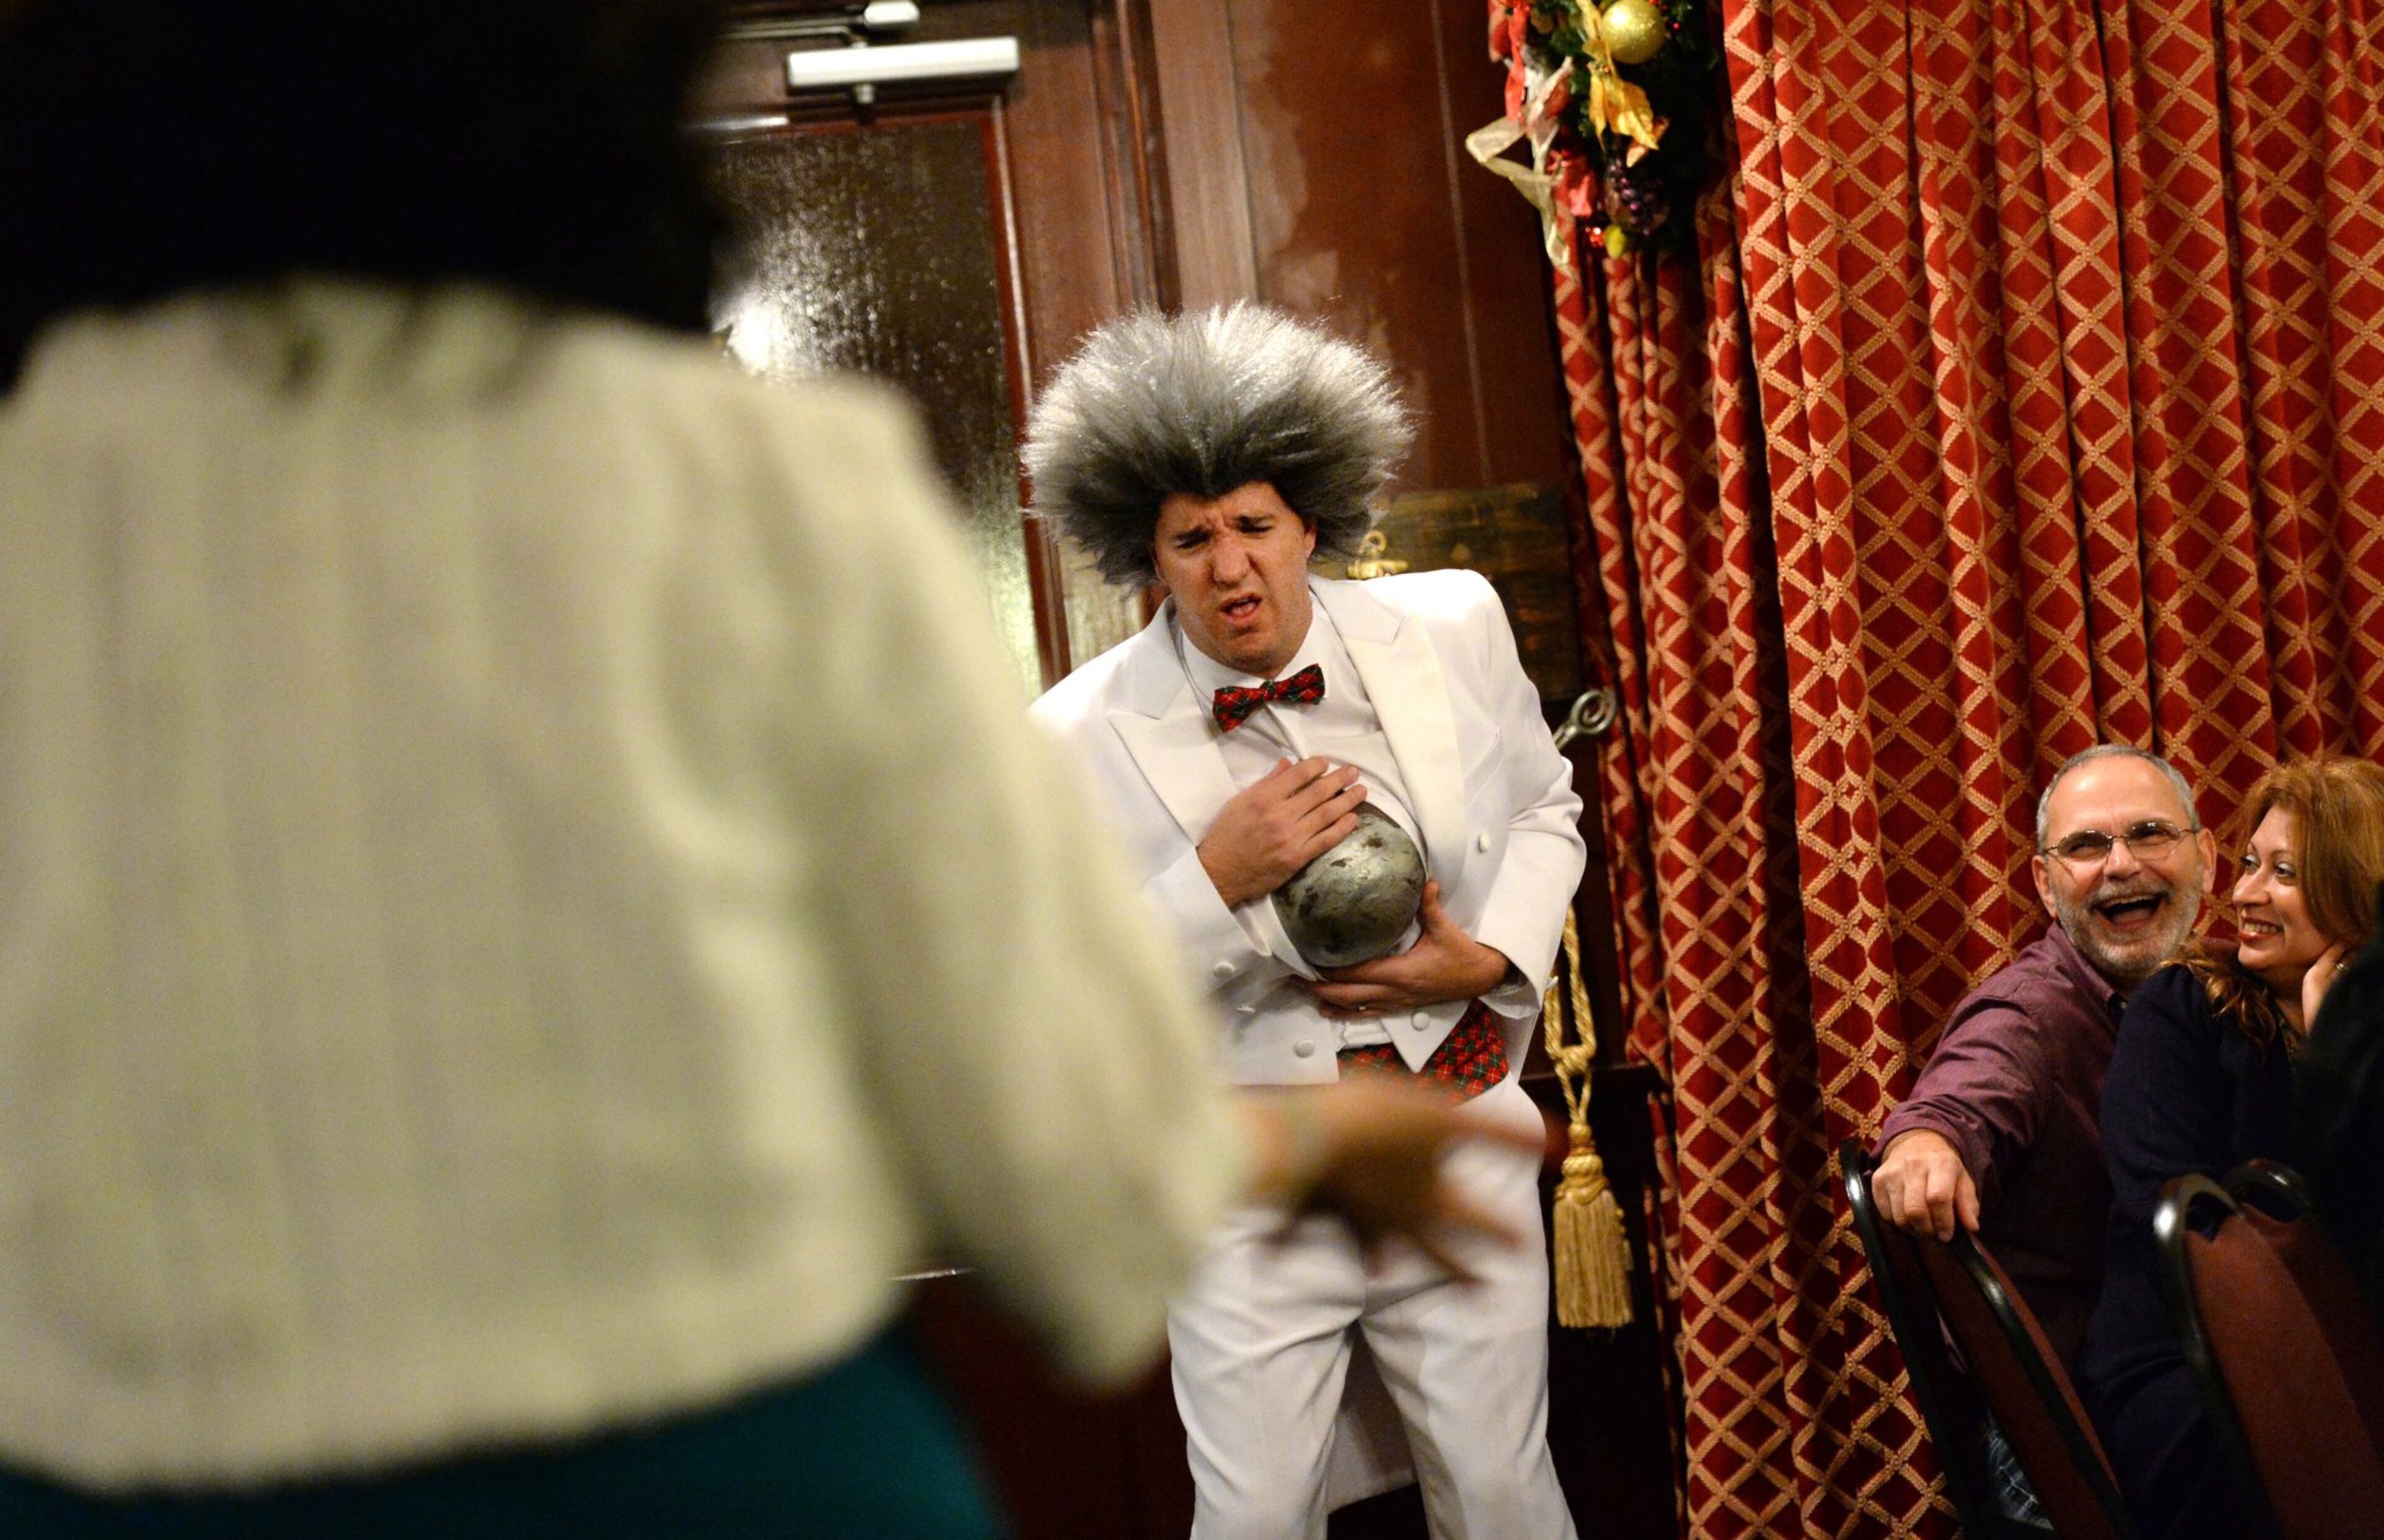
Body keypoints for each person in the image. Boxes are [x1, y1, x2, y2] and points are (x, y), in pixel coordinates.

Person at [0, 2, 1536, 1534]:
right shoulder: (768, 491)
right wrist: (1304, 1138)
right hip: (724, 1458)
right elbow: (1056, 1188)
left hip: (115, 1466)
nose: (1225, 561)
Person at [1024, 305, 1587, 1539]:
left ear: (1312, 521)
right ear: (1145, 557)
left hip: (1451, 1119)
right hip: (1248, 1167)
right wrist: (1214, 879)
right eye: (1192, 538)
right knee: (1257, 1512)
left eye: (1254, 526)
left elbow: (1550, 806)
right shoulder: (1070, 734)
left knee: (1502, 1494)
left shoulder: (1451, 622)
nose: (1231, 566)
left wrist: (1490, 955)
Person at [2079, 757, 2384, 1540]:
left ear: (2359, 894)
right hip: (2193, 1373)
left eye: (2284, 872)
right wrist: (2326, 1074)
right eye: (2251, 863)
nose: (2244, 893)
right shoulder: (2181, 1009)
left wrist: (2345, 1039)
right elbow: (2184, 1233)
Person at [1872, 745, 2217, 1365]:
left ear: (2208, 860)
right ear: (2044, 885)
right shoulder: (2032, 1013)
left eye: (2149, 834)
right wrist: (1924, 1145)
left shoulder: (2227, 988)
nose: (2121, 864)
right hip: (2079, 1429)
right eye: (2086, 846)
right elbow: (1961, 1099)